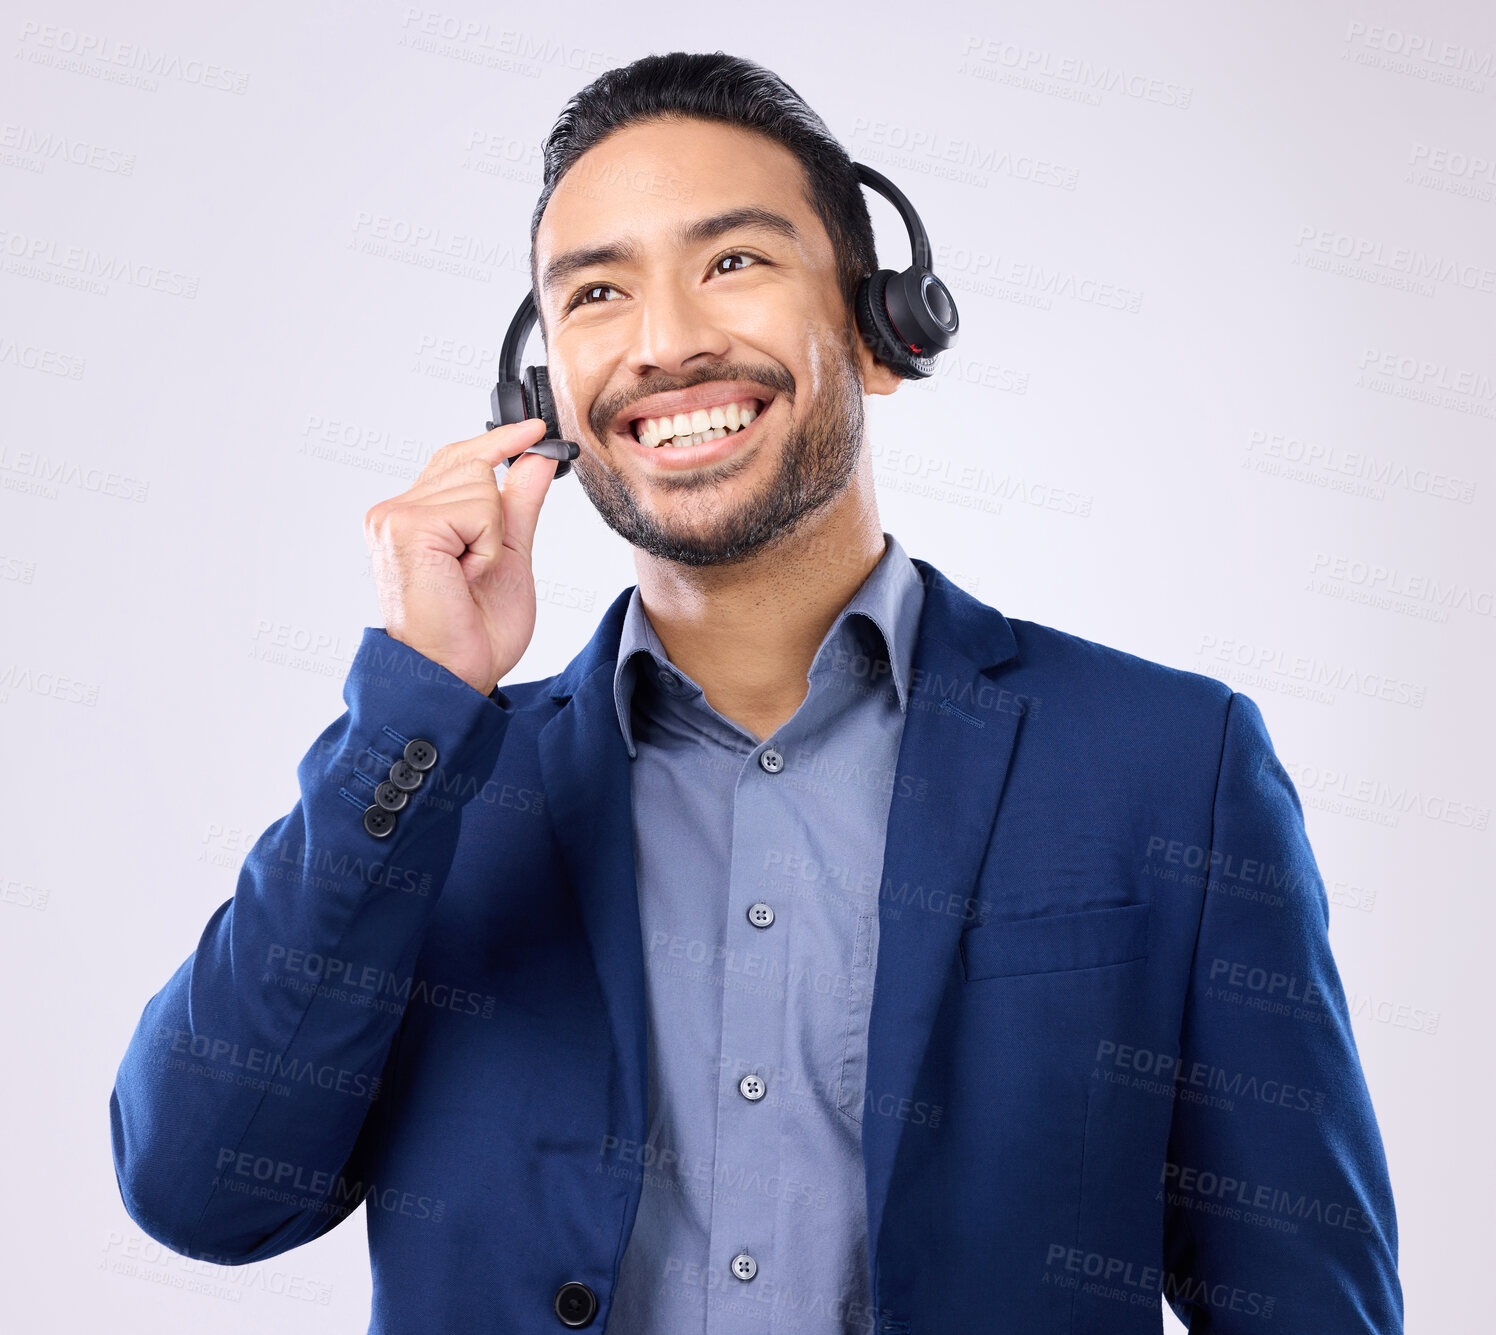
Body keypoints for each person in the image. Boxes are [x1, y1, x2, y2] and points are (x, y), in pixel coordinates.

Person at [110, 50, 1402, 1334]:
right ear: (540, 401)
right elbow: (199, 1191)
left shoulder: (1172, 766)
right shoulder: (431, 791)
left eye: (733, 261)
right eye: (600, 292)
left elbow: (1306, 1306)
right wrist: (420, 703)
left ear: (882, 332)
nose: (667, 342)